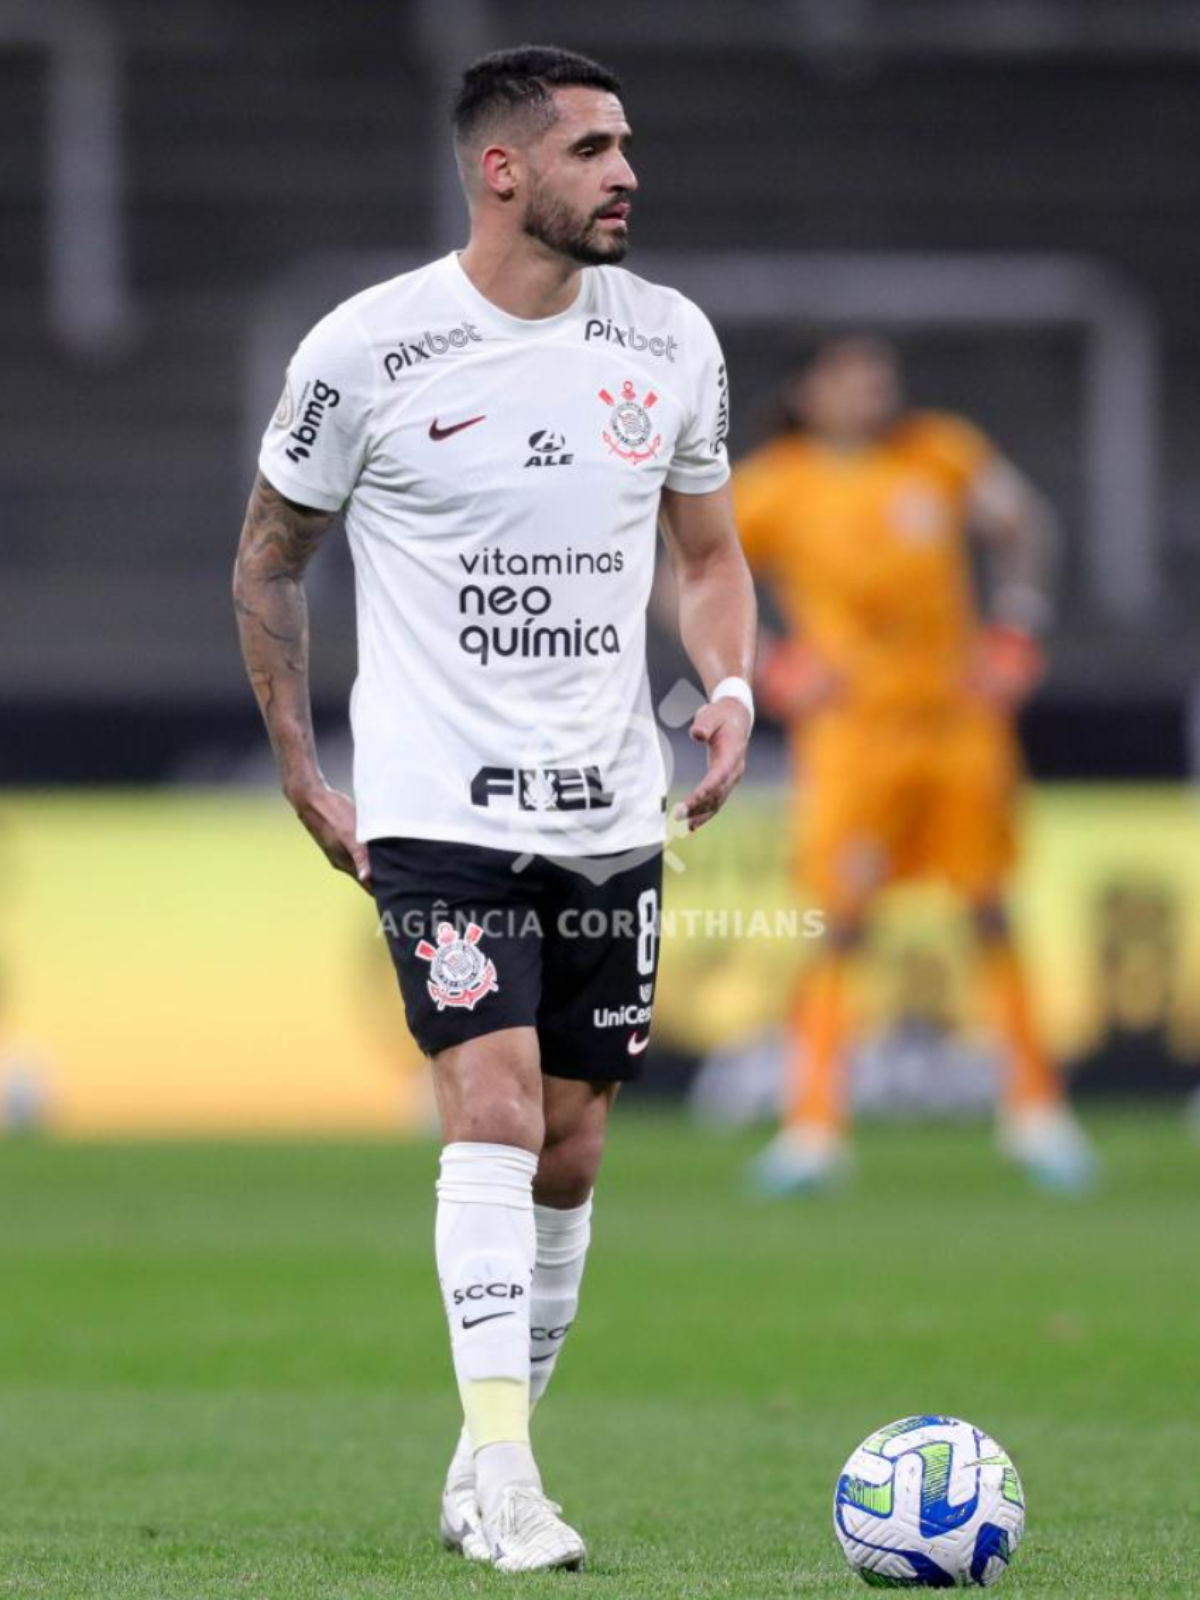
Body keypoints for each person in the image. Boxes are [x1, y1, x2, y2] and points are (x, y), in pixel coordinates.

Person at [233, 45, 756, 1573]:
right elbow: (270, 555)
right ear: (502, 170)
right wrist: (299, 760)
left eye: (628, 144)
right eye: (594, 148)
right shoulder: (368, 352)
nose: (627, 172)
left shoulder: (668, 341)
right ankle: (516, 1478)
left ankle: (483, 1453)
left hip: (611, 806)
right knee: (495, 1105)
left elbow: (709, 556)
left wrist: (725, 690)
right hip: (439, 807)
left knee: (575, 1153)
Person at [734, 335, 1095, 1194]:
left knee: (989, 907)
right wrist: (760, 661)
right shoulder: (773, 485)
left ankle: (1036, 1112)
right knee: (840, 919)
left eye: (881, 377)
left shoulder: (942, 451)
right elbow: (683, 570)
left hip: (959, 721)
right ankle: (814, 1127)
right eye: (853, 378)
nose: (874, 391)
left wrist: (1015, 625)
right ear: (807, 392)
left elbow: (1026, 526)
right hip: (855, 733)